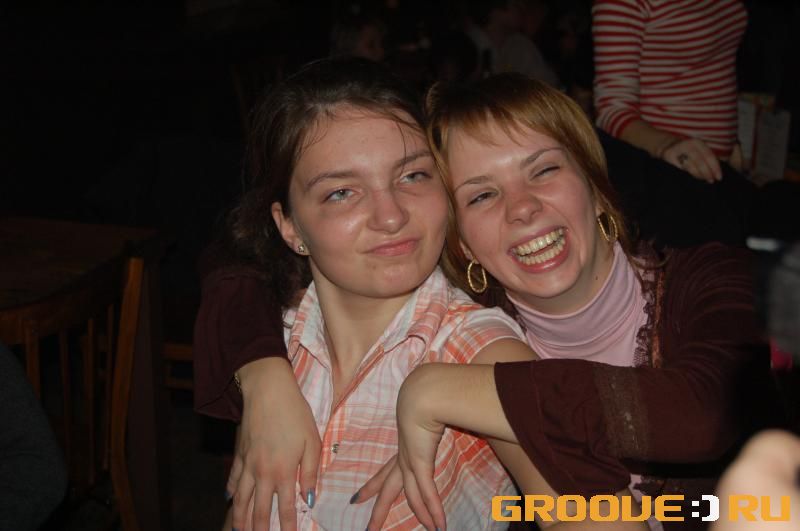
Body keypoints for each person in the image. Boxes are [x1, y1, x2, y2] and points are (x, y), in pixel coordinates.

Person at [195, 73, 769, 531]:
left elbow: (704, 416)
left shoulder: (708, 279)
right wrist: (261, 371)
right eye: (482, 194)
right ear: (462, 237)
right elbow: (235, 261)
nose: (522, 208)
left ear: (595, 185)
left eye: (544, 169)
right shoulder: (461, 299)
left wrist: (437, 390)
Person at [593, 0, 748, 183]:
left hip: (720, 166)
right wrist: (668, 146)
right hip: (669, 170)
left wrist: (731, 143)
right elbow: (611, 110)